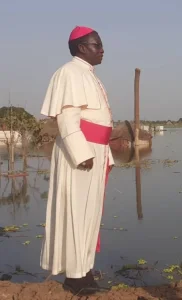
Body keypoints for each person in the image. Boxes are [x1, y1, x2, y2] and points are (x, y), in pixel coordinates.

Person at [40, 26, 114, 293]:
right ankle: (75, 278)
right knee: (76, 214)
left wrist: (107, 153)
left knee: (90, 215)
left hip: (95, 150)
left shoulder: (88, 75)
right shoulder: (69, 73)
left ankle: (84, 272)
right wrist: (81, 154)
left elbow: (100, 123)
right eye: (97, 45)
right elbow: (68, 119)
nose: (102, 49)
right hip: (80, 154)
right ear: (82, 47)